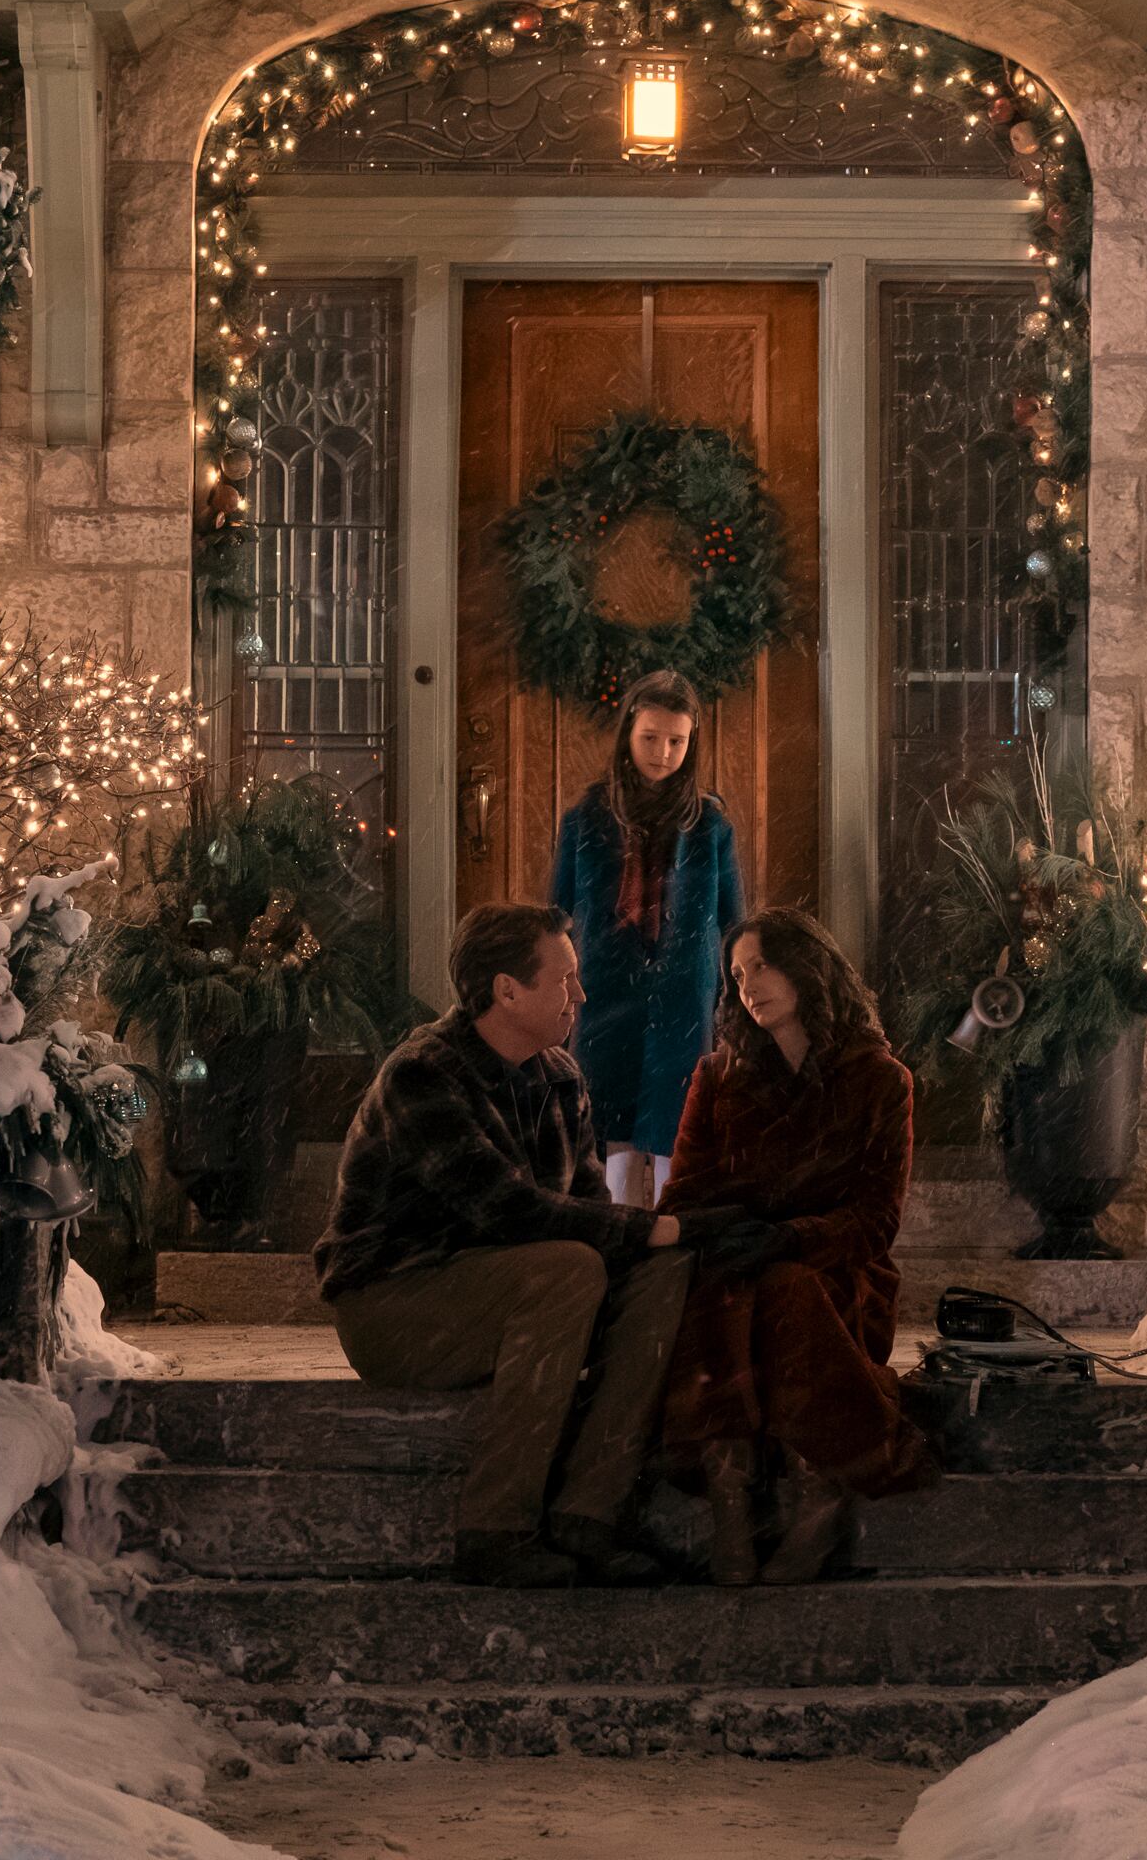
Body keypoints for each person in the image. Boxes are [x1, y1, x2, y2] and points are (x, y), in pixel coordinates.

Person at [316, 901, 727, 1589]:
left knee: (661, 1270)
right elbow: (506, 1211)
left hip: (506, 1291)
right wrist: (652, 1224)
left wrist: (672, 1237)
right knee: (568, 1267)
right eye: (565, 979)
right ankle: (497, 1528)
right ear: (507, 990)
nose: (581, 995)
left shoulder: (559, 1078)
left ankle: (590, 1514)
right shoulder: (424, 1074)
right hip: (396, 1305)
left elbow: (587, 1210)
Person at [659, 908, 938, 1586]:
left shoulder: (879, 1080)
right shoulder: (718, 1078)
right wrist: (729, 1230)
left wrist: (791, 1237)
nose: (749, 985)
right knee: (723, 1289)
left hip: (839, 1276)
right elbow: (684, 1196)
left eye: (761, 966)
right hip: (735, 1267)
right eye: (737, 975)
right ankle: (731, 1500)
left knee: (784, 1287)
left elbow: (876, 1219)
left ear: (806, 969)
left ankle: (819, 1494)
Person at [549, 669, 744, 1209]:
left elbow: (735, 920)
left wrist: (732, 991)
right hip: (605, 985)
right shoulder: (587, 819)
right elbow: (558, 913)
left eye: (677, 741)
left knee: (674, 1115)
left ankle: (668, 1225)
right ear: (627, 736)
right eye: (650, 738)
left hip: (683, 989)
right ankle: (616, 1224)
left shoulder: (710, 825)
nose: (662, 753)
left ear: (692, 742)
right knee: (607, 1113)